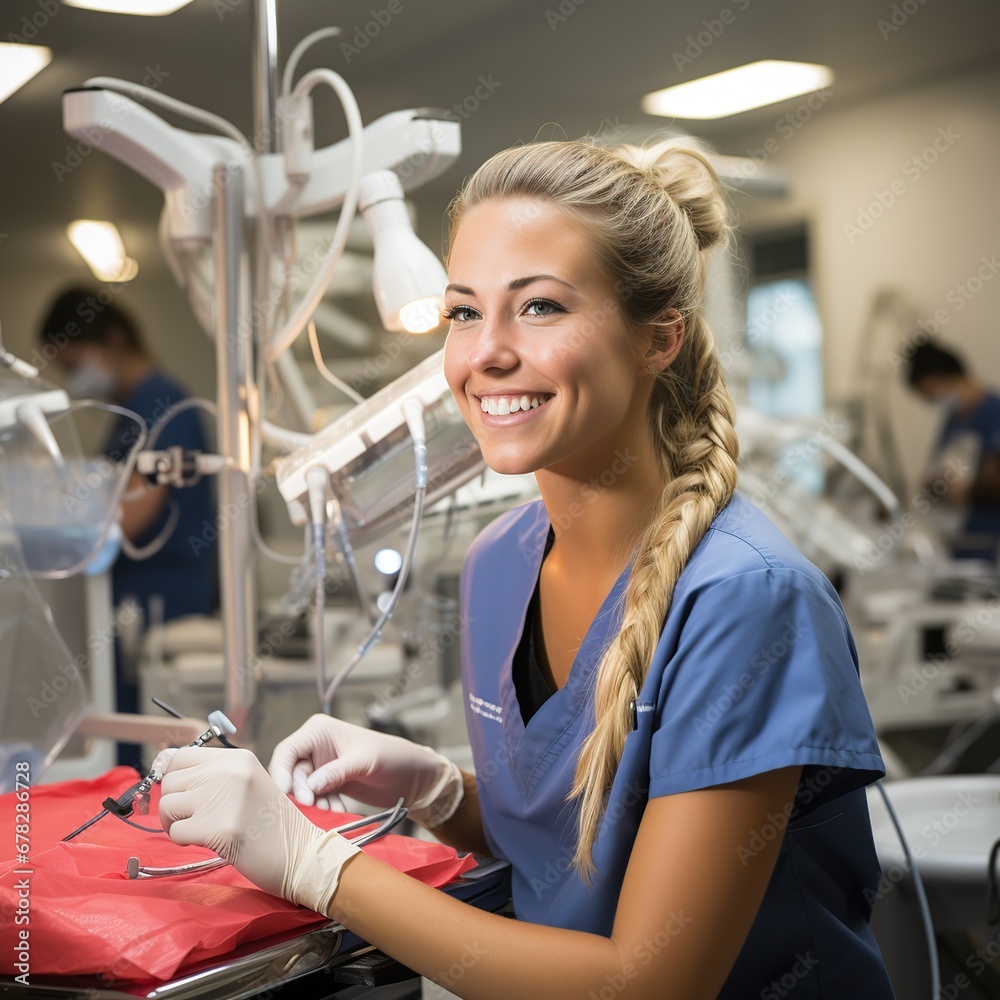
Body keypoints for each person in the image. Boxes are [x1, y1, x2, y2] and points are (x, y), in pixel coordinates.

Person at [157, 138, 896, 998]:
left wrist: (312, 865)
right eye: (463, 313)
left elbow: (647, 982)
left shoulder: (745, 602)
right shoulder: (498, 565)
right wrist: (437, 790)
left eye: (540, 307)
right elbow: (564, 852)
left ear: (660, 338)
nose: (486, 354)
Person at [38, 289, 218, 765]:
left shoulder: (163, 405)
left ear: (113, 339)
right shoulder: (131, 411)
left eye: (77, 364)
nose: (77, 380)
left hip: (159, 599)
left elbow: (127, 517)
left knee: (139, 746)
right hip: (130, 602)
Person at [905, 339, 1000, 561]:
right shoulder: (952, 420)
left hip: (990, 544)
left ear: (951, 378)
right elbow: (938, 468)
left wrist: (967, 491)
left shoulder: (993, 412)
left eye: (933, 392)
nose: (934, 401)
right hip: (957, 545)